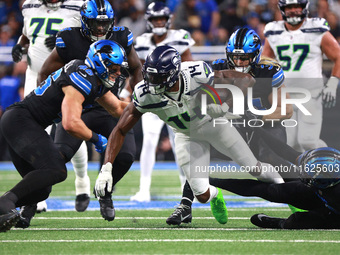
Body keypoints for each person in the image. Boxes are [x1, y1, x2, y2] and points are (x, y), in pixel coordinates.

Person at [94, 45, 285, 225]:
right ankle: (216, 195)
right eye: (150, 76)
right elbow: (120, 129)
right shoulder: (145, 94)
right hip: (186, 135)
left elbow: (246, 80)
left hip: (215, 126)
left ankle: (288, 194)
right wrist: (107, 167)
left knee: (254, 168)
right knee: (201, 194)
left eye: (158, 78)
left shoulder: (196, 73)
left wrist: (226, 105)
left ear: (173, 74)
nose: (151, 83)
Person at [166, 27, 294, 225]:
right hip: (232, 123)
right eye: (235, 57)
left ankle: (298, 197)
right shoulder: (218, 69)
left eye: (245, 58)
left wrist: (257, 117)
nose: (239, 62)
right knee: (199, 151)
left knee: (272, 159)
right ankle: (185, 205)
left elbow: (285, 110)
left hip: (265, 125)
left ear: (256, 56)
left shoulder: (268, 71)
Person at [0, 39, 128, 233]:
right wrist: (97, 138)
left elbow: (118, 107)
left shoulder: (92, 77)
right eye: (114, 68)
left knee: (41, 190)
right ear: (99, 63)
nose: (118, 73)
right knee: (56, 170)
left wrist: (147, 107)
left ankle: (5, 203)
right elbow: (70, 124)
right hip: (21, 121)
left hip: (21, 122)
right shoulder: (83, 77)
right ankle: (5, 203)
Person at [37, 0, 142, 222]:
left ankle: (106, 194)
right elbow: (44, 72)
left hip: (110, 107)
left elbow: (136, 68)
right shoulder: (69, 39)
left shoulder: (122, 37)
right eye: (96, 24)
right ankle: (29, 204)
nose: (101, 29)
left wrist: (136, 95)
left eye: (105, 24)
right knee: (56, 159)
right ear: (84, 21)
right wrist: (54, 104)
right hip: (79, 106)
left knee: (125, 156)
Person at [11, 0, 88, 213]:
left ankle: (82, 180)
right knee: (33, 136)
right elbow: (27, 36)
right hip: (34, 76)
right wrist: (20, 46)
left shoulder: (78, 6)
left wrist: (69, 40)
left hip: (65, 77)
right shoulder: (30, 6)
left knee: (70, 128)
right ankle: (37, 195)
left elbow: (91, 36)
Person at [210, 127, 340, 229]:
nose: (303, 174)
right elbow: (287, 152)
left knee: (296, 221)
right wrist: (258, 130)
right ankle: (213, 180)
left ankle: (278, 223)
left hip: (334, 213)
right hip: (324, 196)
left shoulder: (334, 193)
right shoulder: (329, 178)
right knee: (271, 191)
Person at [129, 1, 195, 202]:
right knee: (149, 140)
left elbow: (190, 66)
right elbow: (136, 71)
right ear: (149, 21)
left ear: (168, 20)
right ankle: (144, 189)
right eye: (155, 19)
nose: (158, 22)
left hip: (177, 97)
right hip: (153, 96)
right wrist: (130, 92)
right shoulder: (141, 41)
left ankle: (188, 188)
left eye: (161, 18)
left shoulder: (179, 37)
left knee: (180, 143)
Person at [262, 0, 340, 152]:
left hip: (310, 94)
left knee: (308, 141)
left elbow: (338, 56)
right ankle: (304, 174)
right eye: (289, 7)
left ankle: (332, 164)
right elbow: (265, 62)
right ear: (282, 9)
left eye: (296, 6)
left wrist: (332, 82)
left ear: (304, 7)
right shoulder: (273, 31)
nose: (293, 10)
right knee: (291, 144)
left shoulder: (316, 29)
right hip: (285, 95)